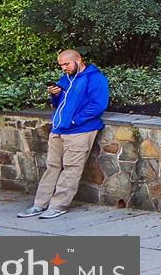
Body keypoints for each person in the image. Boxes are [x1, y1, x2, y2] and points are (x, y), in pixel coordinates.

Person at [20, 48, 108, 219]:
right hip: (59, 129)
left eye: (66, 64)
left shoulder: (95, 78)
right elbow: (59, 103)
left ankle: (58, 206)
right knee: (52, 167)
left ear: (79, 59)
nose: (64, 68)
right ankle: (40, 205)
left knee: (71, 169)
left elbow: (98, 104)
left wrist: (76, 120)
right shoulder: (65, 79)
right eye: (61, 65)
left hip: (80, 131)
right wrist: (56, 95)